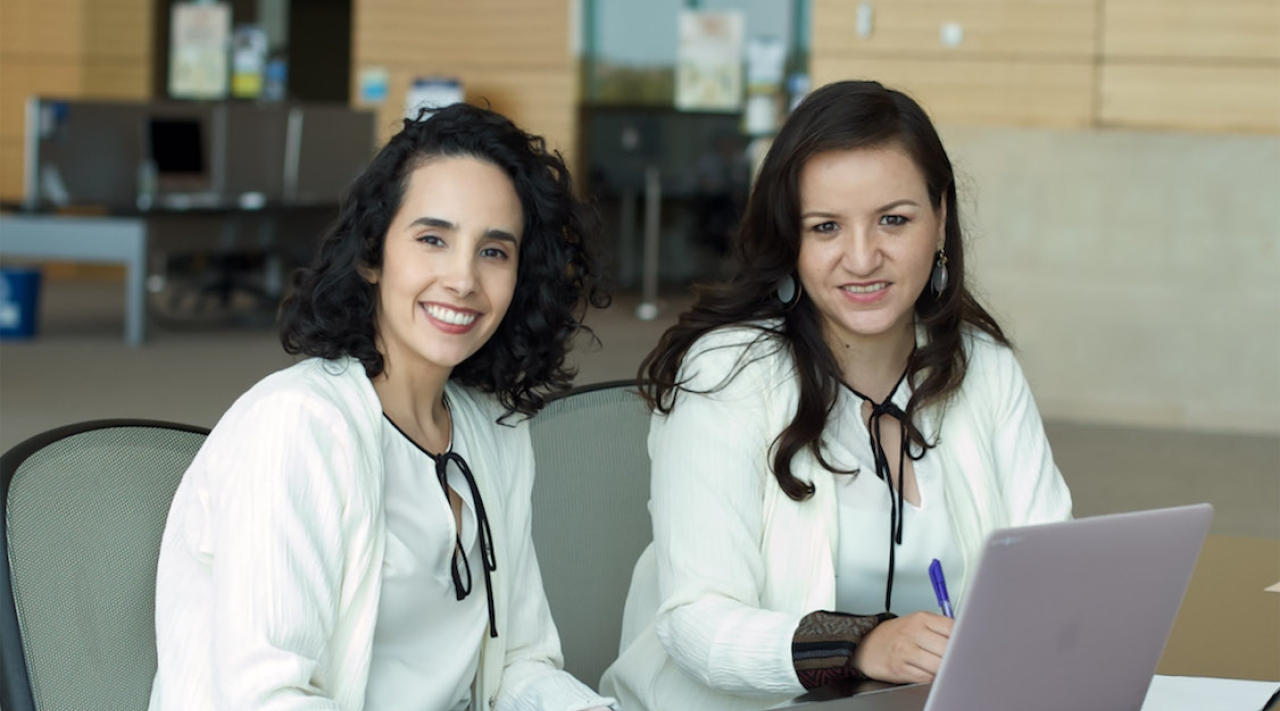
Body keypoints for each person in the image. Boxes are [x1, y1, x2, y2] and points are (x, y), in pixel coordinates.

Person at [599, 80, 1073, 711]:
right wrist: (859, 643)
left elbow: (1053, 574)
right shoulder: (728, 374)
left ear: (940, 219)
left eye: (893, 221)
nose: (861, 258)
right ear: (791, 243)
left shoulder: (984, 369)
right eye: (826, 227)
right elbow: (696, 624)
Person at [149, 104, 618, 711]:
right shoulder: (299, 427)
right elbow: (269, 698)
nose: (463, 279)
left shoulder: (491, 429)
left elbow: (519, 662)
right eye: (432, 239)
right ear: (373, 255)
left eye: (494, 251)